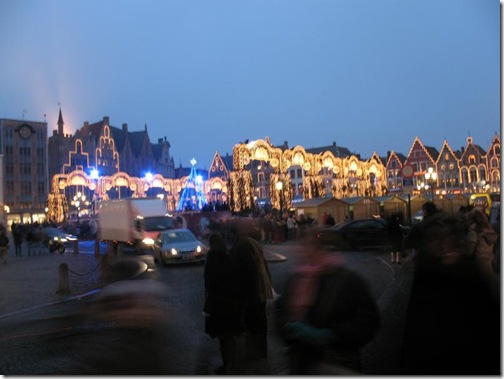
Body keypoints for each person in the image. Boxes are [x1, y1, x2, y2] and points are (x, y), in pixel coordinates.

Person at [400, 213, 500, 375]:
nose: (445, 244)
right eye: (437, 239)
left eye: (451, 237)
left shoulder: (470, 274)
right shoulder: (425, 279)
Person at [275, 233, 381, 374]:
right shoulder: (297, 276)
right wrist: (288, 326)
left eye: (313, 247)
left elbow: (369, 321)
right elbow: (281, 309)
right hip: (301, 363)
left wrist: (332, 335)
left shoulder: (350, 281)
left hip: (339, 362)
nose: (307, 251)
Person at [229, 219, 273, 365]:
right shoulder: (252, 242)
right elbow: (263, 265)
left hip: (252, 293)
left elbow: (249, 270)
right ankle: (262, 351)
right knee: (260, 323)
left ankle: (255, 353)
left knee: (253, 324)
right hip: (259, 290)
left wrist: (242, 293)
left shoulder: (242, 245)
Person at [203, 233, 244, 375]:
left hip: (218, 305)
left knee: (224, 338)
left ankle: (228, 366)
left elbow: (210, 282)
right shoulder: (229, 257)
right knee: (230, 337)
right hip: (231, 304)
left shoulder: (212, 258)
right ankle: (233, 365)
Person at [464, 206, 499, 280]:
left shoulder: (474, 233)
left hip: (477, 268)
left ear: (472, 220)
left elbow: (468, 252)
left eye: (468, 220)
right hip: (489, 264)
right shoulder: (488, 231)